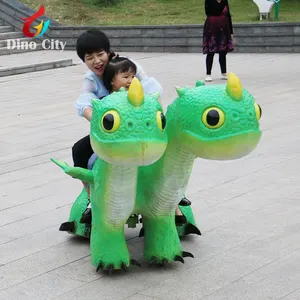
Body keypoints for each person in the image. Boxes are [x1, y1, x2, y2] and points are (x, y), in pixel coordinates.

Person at [72, 29, 190, 225]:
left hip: (144, 127)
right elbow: (85, 101)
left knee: (161, 153)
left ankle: (174, 200)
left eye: (100, 54)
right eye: (89, 57)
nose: (96, 61)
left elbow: (153, 92)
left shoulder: (127, 67)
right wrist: (98, 121)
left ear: (108, 52)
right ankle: (94, 201)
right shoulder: (91, 79)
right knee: (80, 151)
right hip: (114, 132)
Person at [202, 0, 234, 82]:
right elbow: (211, 12)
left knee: (223, 52)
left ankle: (224, 73)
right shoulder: (209, 1)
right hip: (211, 28)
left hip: (223, 29)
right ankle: (208, 74)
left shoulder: (224, 1)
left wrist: (231, 32)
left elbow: (228, 16)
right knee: (211, 52)